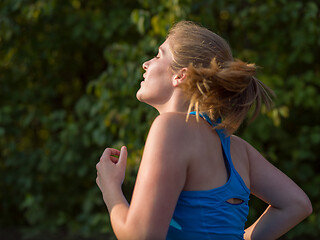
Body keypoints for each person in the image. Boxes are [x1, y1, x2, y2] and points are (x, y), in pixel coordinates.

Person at [96, 21, 312, 240]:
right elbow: (296, 204)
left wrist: (110, 187)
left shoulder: (170, 128)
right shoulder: (237, 148)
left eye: (159, 55)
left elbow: (143, 236)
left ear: (180, 76)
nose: (146, 63)